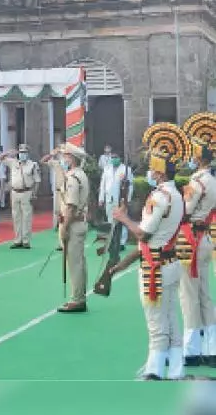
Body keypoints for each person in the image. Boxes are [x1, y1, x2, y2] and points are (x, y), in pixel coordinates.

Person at [108, 125, 187, 380]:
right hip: (172, 261)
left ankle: (154, 368)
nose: (150, 172)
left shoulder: (158, 198)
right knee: (171, 318)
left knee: (155, 320)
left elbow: (143, 234)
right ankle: (175, 368)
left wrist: (123, 218)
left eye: (153, 168)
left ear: (160, 172)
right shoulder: (177, 195)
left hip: (156, 267)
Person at [176, 122, 216, 367]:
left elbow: (185, 209)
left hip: (191, 237)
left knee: (188, 294)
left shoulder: (197, 181)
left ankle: (191, 349)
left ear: (199, 157)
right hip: (206, 237)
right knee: (204, 294)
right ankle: (211, 346)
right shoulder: (212, 179)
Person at [42, 143, 90, 313]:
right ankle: (80, 295)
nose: (63, 158)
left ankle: (77, 299)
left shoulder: (73, 178)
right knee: (79, 262)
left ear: (72, 158)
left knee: (75, 263)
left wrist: (64, 228)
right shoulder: (79, 174)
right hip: (79, 222)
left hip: (73, 223)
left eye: (65, 156)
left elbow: (70, 206)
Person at [1, 144, 42, 249]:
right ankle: (17, 240)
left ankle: (26, 240)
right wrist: (9, 152)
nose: (22, 154)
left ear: (28, 153)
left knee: (26, 217)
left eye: (24, 152)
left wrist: (35, 194)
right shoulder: (13, 162)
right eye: (21, 152)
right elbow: (0, 158)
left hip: (27, 192)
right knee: (16, 217)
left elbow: (37, 181)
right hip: (14, 192)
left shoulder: (32, 165)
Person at [97, 150, 133, 248]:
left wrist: (127, 200)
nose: (114, 159)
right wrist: (101, 198)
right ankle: (112, 240)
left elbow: (130, 185)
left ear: (120, 158)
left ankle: (122, 242)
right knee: (110, 220)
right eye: (112, 157)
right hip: (109, 198)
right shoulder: (107, 168)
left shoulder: (126, 169)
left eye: (115, 157)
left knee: (122, 220)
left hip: (121, 199)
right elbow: (103, 184)